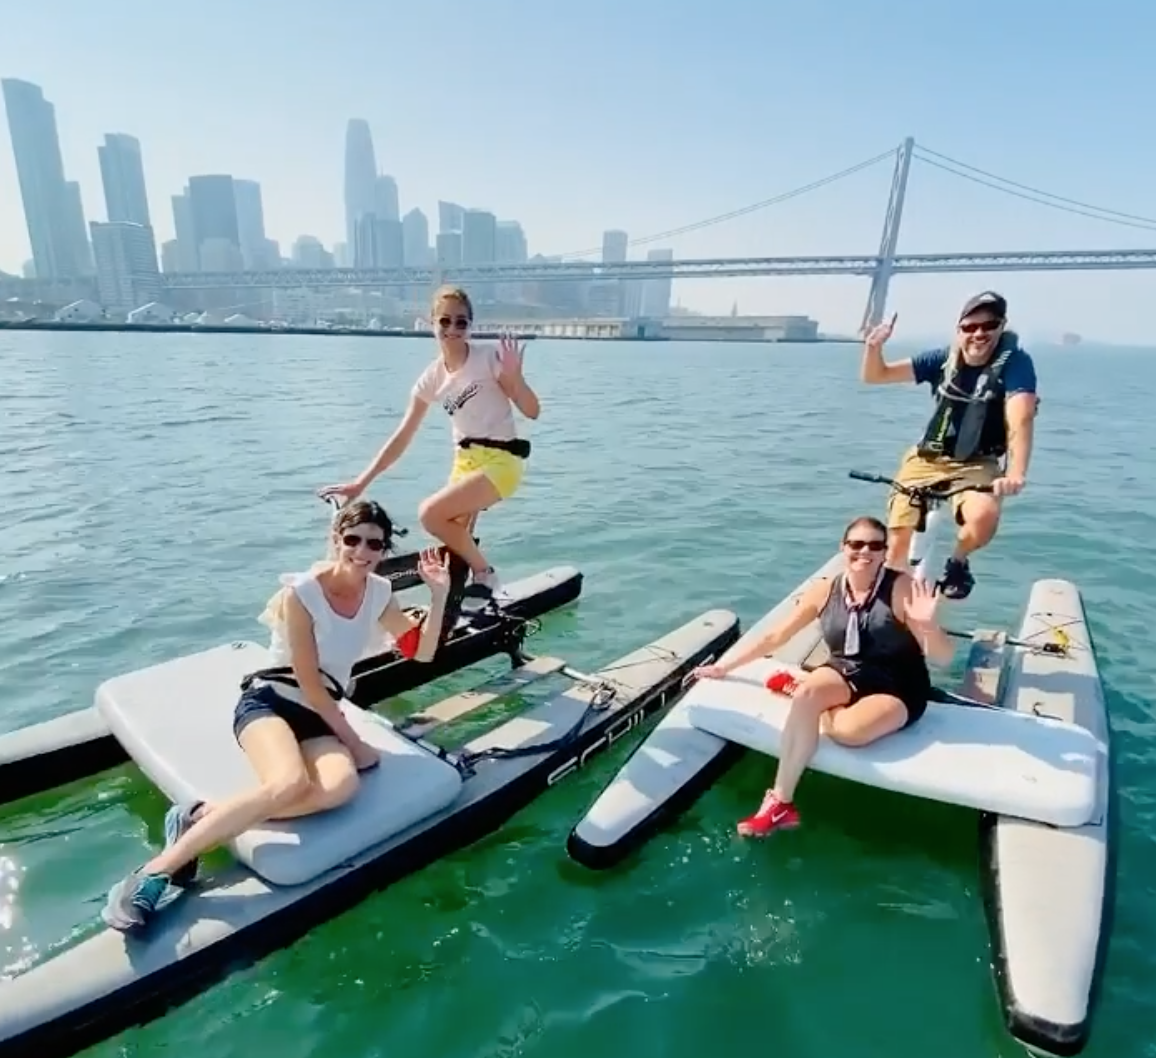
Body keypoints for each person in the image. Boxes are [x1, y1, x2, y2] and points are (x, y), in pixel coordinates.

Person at [101, 500, 451, 932]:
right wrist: (354, 740)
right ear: (336, 539)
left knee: (340, 789)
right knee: (289, 783)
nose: (362, 551)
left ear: (383, 549)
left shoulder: (379, 591)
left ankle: (203, 816)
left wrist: (438, 595)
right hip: (271, 702)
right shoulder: (301, 593)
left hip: (319, 715)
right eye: (352, 539)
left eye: (374, 544)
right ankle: (152, 874)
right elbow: (306, 680)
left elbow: (424, 652)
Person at [688, 515, 955, 837]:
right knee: (808, 697)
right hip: (845, 670)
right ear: (843, 547)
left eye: (874, 545)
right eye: (856, 544)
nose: (864, 552)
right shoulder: (825, 590)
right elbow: (776, 637)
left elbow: (943, 658)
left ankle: (804, 692)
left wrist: (927, 624)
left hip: (898, 685)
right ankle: (779, 804)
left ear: (885, 552)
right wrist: (725, 667)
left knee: (848, 732)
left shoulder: (902, 589)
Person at [319, 285, 540, 605]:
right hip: (465, 462)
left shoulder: (488, 358)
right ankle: (458, 609)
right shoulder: (431, 378)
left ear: (470, 326)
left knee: (430, 515)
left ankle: (486, 574)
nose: (452, 330)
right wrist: (360, 483)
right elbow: (402, 437)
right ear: (432, 323)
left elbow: (532, 411)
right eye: (445, 321)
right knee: (454, 543)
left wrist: (516, 379)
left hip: (502, 459)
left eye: (461, 323)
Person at [860, 291, 1039, 599]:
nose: (979, 334)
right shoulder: (943, 358)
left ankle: (957, 560)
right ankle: (887, 610)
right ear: (959, 330)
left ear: (1001, 327)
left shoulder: (1015, 363)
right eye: (970, 327)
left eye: (989, 325)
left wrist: (1017, 473)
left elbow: (1020, 415)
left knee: (983, 517)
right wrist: (873, 348)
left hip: (976, 463)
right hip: (927, 458)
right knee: (897, 542)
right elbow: (876, 376)